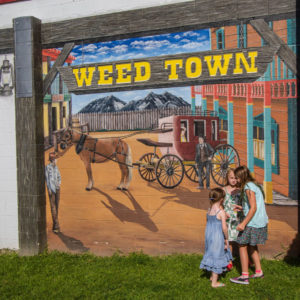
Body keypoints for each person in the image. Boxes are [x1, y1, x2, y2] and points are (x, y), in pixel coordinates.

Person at [230, 166, 268, 285]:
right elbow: (252, 206)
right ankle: (258, 271)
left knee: (241, 245)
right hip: (260, 221)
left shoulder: (247, 187)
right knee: (252, 246)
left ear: (242, 176)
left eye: (237, 178)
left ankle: (244, 276)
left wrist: (243, 223)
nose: (236, 180)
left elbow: (253, 208)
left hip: (252, 222)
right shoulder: (254, 185)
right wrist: (242, 208)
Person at [200, 188, 232, 288]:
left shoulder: (209, 210)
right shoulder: (220, 213)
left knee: (212, 254)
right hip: (217, 237)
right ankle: (214, 282)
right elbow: (224, 228)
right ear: (222, 199)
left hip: (209, 235)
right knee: (217, 255)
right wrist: (226, 238)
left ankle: (211, 276)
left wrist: (224, 214)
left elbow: (209, 222)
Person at [222, 168, 242, 270]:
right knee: (228, 240)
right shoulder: (224, 190)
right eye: (231, 178)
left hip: (237, 219)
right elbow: (219, 204)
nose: (233, 180)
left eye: (235, 178)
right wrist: (224, 212)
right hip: (228, 219)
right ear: (227, 178)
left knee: (239, 240)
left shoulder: (240, 190)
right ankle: (229, 260)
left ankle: (243, 259)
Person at [45, 152, 61, 233]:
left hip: (57, 189)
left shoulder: (56, 168)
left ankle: (55, 224)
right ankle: (56, 225)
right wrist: (49, 189)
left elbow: (59, 176)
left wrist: (59, 183)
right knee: (53, 207)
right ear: (52, 160)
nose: (56, 160)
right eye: (55, 159)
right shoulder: (47, 167)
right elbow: (47, 179)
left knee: (56, 206)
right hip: (51, 189)